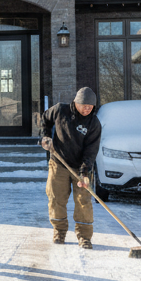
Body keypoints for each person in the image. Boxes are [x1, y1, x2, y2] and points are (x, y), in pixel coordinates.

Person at [40, 87, 102, 249]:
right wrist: (45, 136)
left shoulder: (94, 123)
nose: (88, 109)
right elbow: (45, 119)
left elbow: (91, 150)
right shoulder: (61, 110)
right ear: (76, 102)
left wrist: (84, 172)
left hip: (80, 167)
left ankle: (84, 237)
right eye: (85, 106)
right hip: (58, 162)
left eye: (91, 107)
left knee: (83, 201)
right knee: (56, 198)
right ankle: (59, 231)